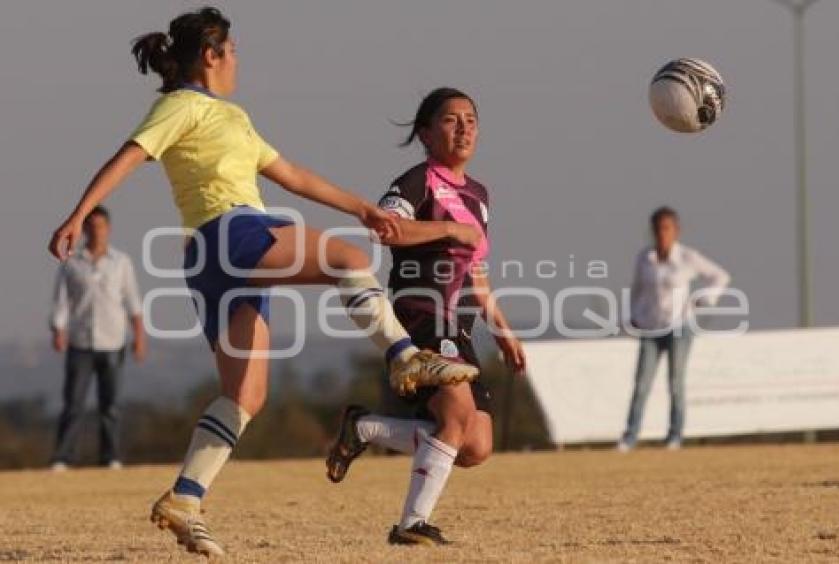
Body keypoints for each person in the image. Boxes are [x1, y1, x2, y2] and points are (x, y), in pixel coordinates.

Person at [47, 8, 478, 558]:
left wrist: (362, 208)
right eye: (234, 50)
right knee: (347, 258)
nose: (238, 61)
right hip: (231, 232)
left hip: (212, 261)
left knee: (246, 395)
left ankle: (185, 497)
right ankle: (403, 356)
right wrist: (79, 214)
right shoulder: (181, 105)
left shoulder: (234, 118)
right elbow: (129, 156)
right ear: (213, 54)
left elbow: (290, 175)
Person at [326, 88, 526, 545]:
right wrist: (448, 228)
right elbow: (386, 229)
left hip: (460, 324)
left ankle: (364, 427)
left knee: (475, 445)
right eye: (451, 119)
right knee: (455, 416)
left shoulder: (479, 194)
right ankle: (410, 524)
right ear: (425, 132)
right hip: (421, 313)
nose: (464, 128)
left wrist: (502, 329)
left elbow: (475, 269)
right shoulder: (418, 181)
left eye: (471, 119)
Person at [618, 206, 730, 452]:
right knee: (641, 384)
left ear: (676, 231)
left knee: (675, 382)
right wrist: (631, 316)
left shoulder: (687, 257)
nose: (662, 234)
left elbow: (720, 276)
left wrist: (706, 298)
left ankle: (675, 435)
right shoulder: (644, 258)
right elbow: (637, 290)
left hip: (679, 326)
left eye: (667, 229)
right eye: (658, 229)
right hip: (650, 327)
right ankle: (630, 436)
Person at [49, 205, 146, 471]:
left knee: (111, 405)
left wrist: (139, 337)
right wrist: (58, 330)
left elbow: (133, 302)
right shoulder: (71, 261)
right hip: (80, 341)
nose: (96, 231)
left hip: (113, 341)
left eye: (100, 226)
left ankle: (110, 456)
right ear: (84, 229)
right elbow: (61, 301)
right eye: (90, 226)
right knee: (74, 403)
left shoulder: (121, 262)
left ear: (108, 228)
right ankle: (63, 457)